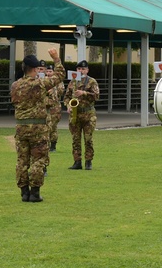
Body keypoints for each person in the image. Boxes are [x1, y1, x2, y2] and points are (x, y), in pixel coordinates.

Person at [11, 50, 65, 202]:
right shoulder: (39, 84)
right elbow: (60, 76)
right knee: (39, 159)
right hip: (38, 128)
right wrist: (56, 59)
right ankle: (34, 192)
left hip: (21, 128)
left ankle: (23, 192)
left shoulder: (15, 85)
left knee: (22, 160)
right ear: (35, 69)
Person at [64, 60, 100, 170]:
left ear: (87, 70)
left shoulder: (92, 81)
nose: (81, 70)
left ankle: (88, 162)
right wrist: (68, 106)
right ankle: (77, 161)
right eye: (79, 69)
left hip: (88, 114)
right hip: (76, 114)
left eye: (83, 69)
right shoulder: (73, 82)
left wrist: (84, 93)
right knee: (75, 139)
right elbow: (66, 97)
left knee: (88, 139)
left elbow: (97, 96)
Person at [44, 63, 64, 153]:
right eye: (47, 71)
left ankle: (53, 145)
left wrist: (53, 90)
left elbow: (60, 92)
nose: (48, 73)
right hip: (44, 107)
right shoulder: (42, 80)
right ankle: (45, 145)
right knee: (45, 126)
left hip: (54, 107)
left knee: (53, 127)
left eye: (50, 71)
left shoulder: (58, 82)